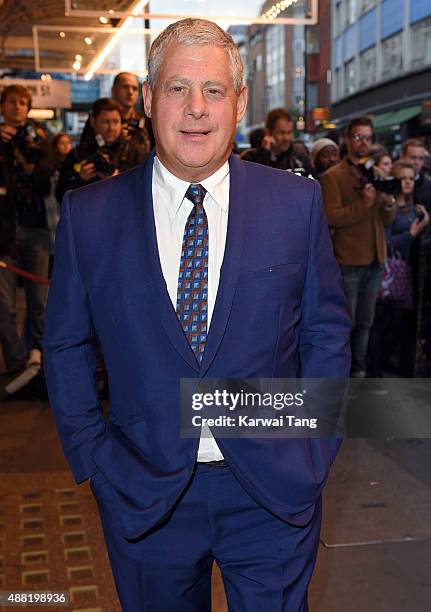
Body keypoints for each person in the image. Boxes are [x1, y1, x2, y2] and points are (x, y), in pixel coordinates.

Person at [44, 18, 350, 612]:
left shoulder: (295, 203)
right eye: (178, 88)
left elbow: (325, 332)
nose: (195, 109)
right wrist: (95, 460)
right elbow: (65, 345)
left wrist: (317, 446)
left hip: (274, 489)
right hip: (142, 492)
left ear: (238, 102)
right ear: (151, 100)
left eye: (213, 90)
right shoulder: (91, 215)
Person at [321, 116, 395, 377]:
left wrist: (387, 202)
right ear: (347, 140)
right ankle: (340, 371)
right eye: (358, 137)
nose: (363, 143)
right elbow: (332, 217)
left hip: (375, 258)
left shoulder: (377, 174)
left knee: (366, 322)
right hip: (348, 259)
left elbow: (387, 219)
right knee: (346, 322)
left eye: (368, 138)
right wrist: (362, 205)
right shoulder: (333, 176)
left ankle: (359, 369)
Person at [0, 84, 52, 373]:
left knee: (39, 305)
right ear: (3, 106)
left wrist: (27, 153)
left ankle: (38, 364)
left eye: (22, 102)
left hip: (35, 230)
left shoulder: (38, 140)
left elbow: (46, 180)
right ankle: (16, 364)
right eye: (11, 101)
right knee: (4, 308)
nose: (17, 107)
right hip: (4, 233)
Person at [368, 161, 429, 376]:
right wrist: (412, 233)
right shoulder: (389, 206)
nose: (407, 183)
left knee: (398, 323)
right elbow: (386, 241)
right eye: (403, 178)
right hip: (387, 271)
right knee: (381, 321)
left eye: (411, 179)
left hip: (407, 273)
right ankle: (374, 367)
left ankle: (384, 361)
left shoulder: (415, 208)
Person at [56, 98, 148, 202]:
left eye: (116, 122)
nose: (111, 128)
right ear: (93, 121)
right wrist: (80, 179)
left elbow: (146, 192)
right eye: (105, 122)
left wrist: (119, 180)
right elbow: (60, 196)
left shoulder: (134, 152)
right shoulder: (78, 155)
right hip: (90, 215)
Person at [80, 71, 152, 150]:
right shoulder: (99, 119)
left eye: (134, 88)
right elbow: (85, 148)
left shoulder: (146, 120)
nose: (130, 92)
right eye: (125, 87)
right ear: (113, 90)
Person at [241, 107, 312, 175]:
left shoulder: (299, 160)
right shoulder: (249, 158)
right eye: (281, 133)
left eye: (289, 132)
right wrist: (264, 153)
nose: (286, 138)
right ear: (268, 133)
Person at [400, 138, 431, 210]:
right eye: (413, 157)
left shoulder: (429, 187)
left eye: (421, 159)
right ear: (402, 157)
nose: (417, 162)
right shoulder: (391, 184)